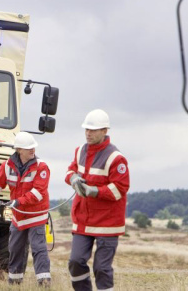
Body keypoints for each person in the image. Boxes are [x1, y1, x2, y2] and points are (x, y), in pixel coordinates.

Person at [65, 109, 130, 291]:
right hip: (83, 220)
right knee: (75, 262)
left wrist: (94, 191)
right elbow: (70, 170)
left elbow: (120, 189)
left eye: (93, 130)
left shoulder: (116, 158)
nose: (88, 133)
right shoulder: (80, 152)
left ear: (105, 131)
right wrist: (73, 178)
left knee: (101, 268)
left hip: (107, 223)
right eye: (86, 129)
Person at [0, 132, 51, 287]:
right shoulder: (7, 165)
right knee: (15, 249)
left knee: (38, 248)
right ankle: (14, 282)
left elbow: (38, 192)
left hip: (36, 215)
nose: (32, 150)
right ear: (19, 150)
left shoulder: (41, 167)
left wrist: (18, 202)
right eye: (28, 148)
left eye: (33, 147)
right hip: (18, 217)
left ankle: (44, 283)